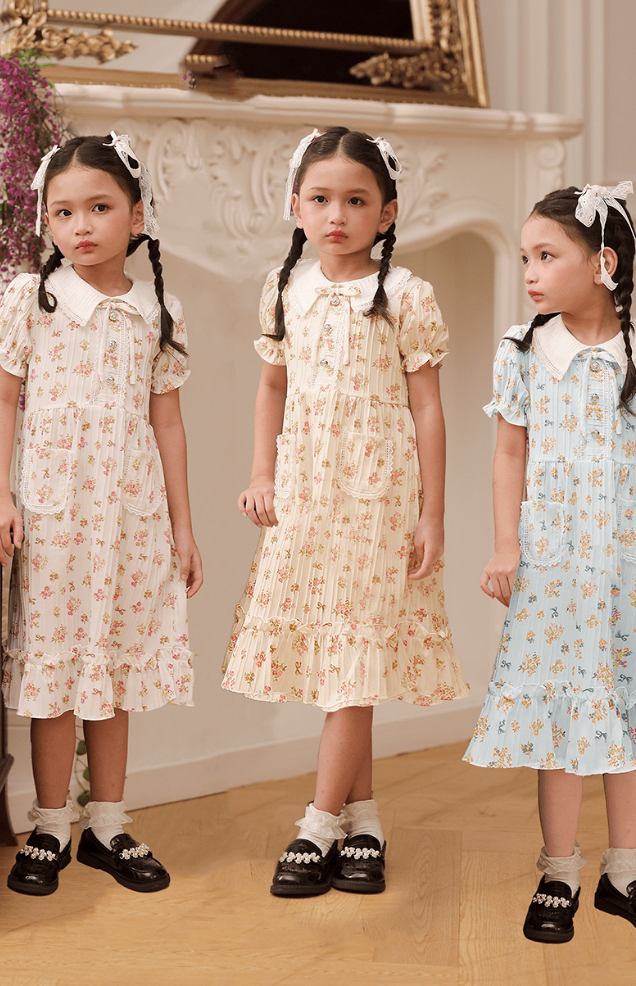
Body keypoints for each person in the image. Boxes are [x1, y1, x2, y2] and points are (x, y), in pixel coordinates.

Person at [465, 182, 636, 943]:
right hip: (556, 570)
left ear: (602, 263)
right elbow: (510, 453)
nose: (530, 273)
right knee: (562, 717)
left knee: (631, 711)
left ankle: (624, 872)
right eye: (525, 258)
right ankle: (559, 872)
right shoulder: (522, 351)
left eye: (547, 256)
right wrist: (506, 544)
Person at [223, 126, 467, 897]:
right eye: (322, 199)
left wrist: (432, 514)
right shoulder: (283, 290)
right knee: (340, 661)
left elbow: (428, 409)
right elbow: (272, 386)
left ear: (386, 213)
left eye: (357, 201)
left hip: (378, 501)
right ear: (296, 206)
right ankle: (365, 823)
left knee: (355, 662)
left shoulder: (406, 296)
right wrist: (262, 472)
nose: (337, 215)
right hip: (307, 495)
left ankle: (318, 822)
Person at [0, 133, 201, 897]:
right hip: (55, 516)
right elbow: (2, 400)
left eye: (99, 208)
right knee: (56, 668)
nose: (81, 226)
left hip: (130, 517)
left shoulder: (158, 309)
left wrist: (182, 527)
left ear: (137, 216)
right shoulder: (31, 300)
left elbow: (167, 421)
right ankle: (49, 826)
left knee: (113, 668)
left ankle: (107, 823)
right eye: (63, 212)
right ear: (47, 221)